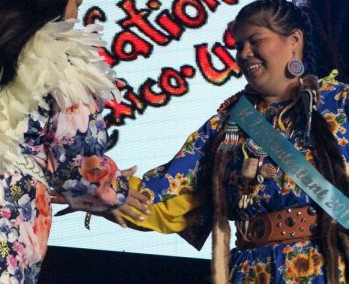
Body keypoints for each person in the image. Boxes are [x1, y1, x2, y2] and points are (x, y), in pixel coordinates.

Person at [117, 0, 349, 283]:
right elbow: (166, 197)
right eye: (239, 46)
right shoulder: (226, 123)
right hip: (250, 273)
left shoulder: (339, 104)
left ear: (294, 41)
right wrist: (98, 186)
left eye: (255, 41)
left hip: (325, 271)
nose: (244, 53)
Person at [0, 0, 149, 283]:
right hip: (0, 220)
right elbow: (77, 164)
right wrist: (115, 190)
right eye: (76, 2)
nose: (77, 12)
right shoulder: (62, 59)